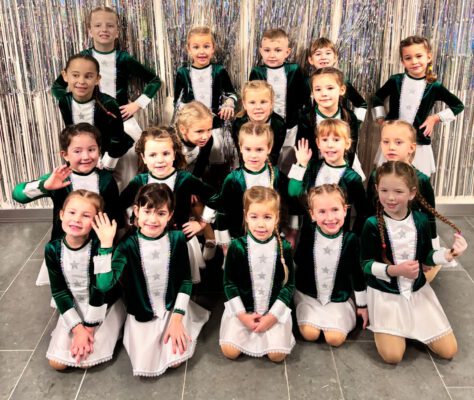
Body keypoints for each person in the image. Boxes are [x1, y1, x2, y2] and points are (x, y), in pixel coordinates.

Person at [94, 183, 210, 376]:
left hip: (172, 308)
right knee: (146, 363)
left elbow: (185, 281)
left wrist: (177, 319)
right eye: (147, 212)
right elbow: (104, 285)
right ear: (137, 212)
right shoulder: (127, 246)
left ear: (170, 215)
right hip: (142, 312)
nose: (153, 219)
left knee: (175, 360)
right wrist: (106, 246)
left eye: (161, 213)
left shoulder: (177, 239)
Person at [361, 161, 467, 364]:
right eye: (384, 190)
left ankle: (413, 324)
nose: (390, 198)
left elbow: (426, 256)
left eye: (398, 191)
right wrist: (395, 270)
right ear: (376, 189)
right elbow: (365, 264)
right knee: (392, 356)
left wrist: (449, 254)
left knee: (449, 350)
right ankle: (395, 330)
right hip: (386, 293)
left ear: (412, 193)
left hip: (416, 290)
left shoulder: (420, 221)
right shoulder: (372, 224)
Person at [51, 5, 161, 189]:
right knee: (88, 171)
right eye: (98, 25)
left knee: (128, 168)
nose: (104, 29)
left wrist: (137, 104)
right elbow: (57, 86)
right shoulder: (82, 60)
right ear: (90, 31)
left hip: (121, 122)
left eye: (110, 26)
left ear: (117, 32)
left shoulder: (123, 58)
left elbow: (154, 80)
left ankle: (126, 204)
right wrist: (72, 101)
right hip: (88, 123)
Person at [12, 123, 121, 286]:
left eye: (91, 149)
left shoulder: (106, 179)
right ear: (65, 155)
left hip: (97, 247)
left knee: (96, 285)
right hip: (65, 246)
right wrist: (45, 186)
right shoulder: (59, 178)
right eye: (77, 151)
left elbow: (114, 215)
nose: (86, 156)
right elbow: (18, 195)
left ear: (99, 150)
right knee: (66, 284)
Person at [120, 126, 217, 283]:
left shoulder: (184, 179)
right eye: (152, 155)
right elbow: (120, 204)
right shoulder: (140, 181)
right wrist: (133, 220)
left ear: (174, 154)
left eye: (165, 153)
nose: (160, 160)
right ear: (143, 158)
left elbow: (215, 197)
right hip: (148, 244)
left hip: (179, 240)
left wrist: (201, 223)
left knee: (177, 282)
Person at [45, 190, 125, 370]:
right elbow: (59, 291)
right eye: (72, 212)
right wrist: (77, 329)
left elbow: (100, 289)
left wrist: (88, 328)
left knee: (85, 362)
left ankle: (116, 322)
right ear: (61, 214)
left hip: (101, 306)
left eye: (86, 215)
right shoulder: (52, 249)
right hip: (73, 305)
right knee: (57, 364)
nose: (77, 219)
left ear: (96, 222)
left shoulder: (99, 248)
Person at [220, 186, 295, 362]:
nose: (261, 224)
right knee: (229, 351)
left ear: (276, 217)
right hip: (244, 311)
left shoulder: (284, 248)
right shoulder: (237, 247)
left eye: (267, 217)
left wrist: (272, 316)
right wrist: (242, 315)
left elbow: (289, 285)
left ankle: (272, 329)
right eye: (254, 217)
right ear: (246, 216)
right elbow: (229, 283)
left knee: (277, 356)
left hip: (272, 311)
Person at [372, 35, 464, 176]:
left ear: (428, 57)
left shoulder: (434, 86)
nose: (414, 61)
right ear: (402, 61)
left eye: (419, 56)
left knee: (414, 178)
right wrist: (381, 119)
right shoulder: (395, 81)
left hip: (418, 143)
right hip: (393, 141)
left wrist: (435, 118)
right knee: (389, 175)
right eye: (408, 58)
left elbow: (458, 105)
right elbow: (377, 97)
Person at [294, 184, 368, 347]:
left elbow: (357, 273)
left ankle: (338, 317)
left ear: (345, 210)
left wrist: (362, 305)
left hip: (337, 297)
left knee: (334, 339)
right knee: (310, 334)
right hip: (309, 295)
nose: (330, 217)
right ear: (312, 214)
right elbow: (299, 260)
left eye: (335, 210)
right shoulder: (309, 233)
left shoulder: (350, 239)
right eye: (322, 211)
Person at [366, 121, 440, 278]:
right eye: (386, 142)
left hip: (410, 238)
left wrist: (430, 251)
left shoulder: (421, 179)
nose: (391, 147)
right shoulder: (375, 175)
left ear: (411, 147)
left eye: (398, 142)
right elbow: (369, 209)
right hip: (383, 236)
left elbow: (429, 215)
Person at [213, 122, 293, 251]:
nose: (253, 155)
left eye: (259, 149)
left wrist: (291, 230)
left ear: (269, 148)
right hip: (240, 240)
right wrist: (225, 245)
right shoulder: (233, 179)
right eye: (248, 149)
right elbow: (222, 212)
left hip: (271, 237)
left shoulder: (277, 176)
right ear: (240, 148)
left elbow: (291, 201)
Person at [55, 53, 133, 171]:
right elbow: (70, 132)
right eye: (75, 75)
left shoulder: (108, 104)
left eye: (88, 76)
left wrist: (107, 165)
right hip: (82, 155)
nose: (81, 81)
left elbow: (117, 138)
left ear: (97, 79)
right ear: (65, 76)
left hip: (109, 155)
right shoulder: (64, 101)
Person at [289, 119, 367, 234]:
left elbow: (363, 212)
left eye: (336, 140)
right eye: (325, 140)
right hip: (310, 234)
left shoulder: (352, 177)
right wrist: (301, 164)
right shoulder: (312, 167)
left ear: (347, 144)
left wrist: (353, 236)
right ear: (318, 143)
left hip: (339, 235)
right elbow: (293, 192)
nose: (330, 145)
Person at [174, 26, 237, 167]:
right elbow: (177, 102)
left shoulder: (219, 71)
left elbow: (231, 93)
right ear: (189, 49)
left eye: (206, 46)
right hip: (193, 129)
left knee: (216, 159)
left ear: (213, 48)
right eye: (196, 47)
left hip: (215, 126)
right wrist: (187, 117)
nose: (201, 51)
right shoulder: (183, 73)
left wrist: (229, 104)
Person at [296, 67, 364, 180]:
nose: (324, 93)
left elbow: (351, 150)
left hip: (343, 166)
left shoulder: (349, 117)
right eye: (318, 89)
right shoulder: (306, 118)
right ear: (312, 93)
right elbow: (304, 149)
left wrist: (340, 172)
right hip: (313, 170)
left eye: (330, 88)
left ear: (342, 90)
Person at [175, 101, 217, 260]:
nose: (205, 136)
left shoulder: (207, 141)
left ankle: (210, 236)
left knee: (198, 198)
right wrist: (187, 188)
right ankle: (191, 239)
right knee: (186, 199)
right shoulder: (173, 142)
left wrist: (194, 187)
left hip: (194, 175)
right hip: (174, 178)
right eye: (199, 131)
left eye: (209, 130)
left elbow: (201, 164)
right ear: (183, 129)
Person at [306, 37, 367, 122]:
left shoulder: (342, 81)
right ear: (310, 60)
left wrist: (356, 123)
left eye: (328, 53)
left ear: (335, 58)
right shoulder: (307, 82)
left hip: (339, 126)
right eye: (318, 54)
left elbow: (361, 104)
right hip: (315, 126)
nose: (323, 57)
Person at [232, 80, 286, 169]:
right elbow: (241, 153)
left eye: (263, 102)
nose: (258, 107)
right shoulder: (238, 124)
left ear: (271, 103)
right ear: (244, 104)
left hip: (269, 165)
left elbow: (274, 154)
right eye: (252, 102)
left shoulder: (279, 124)